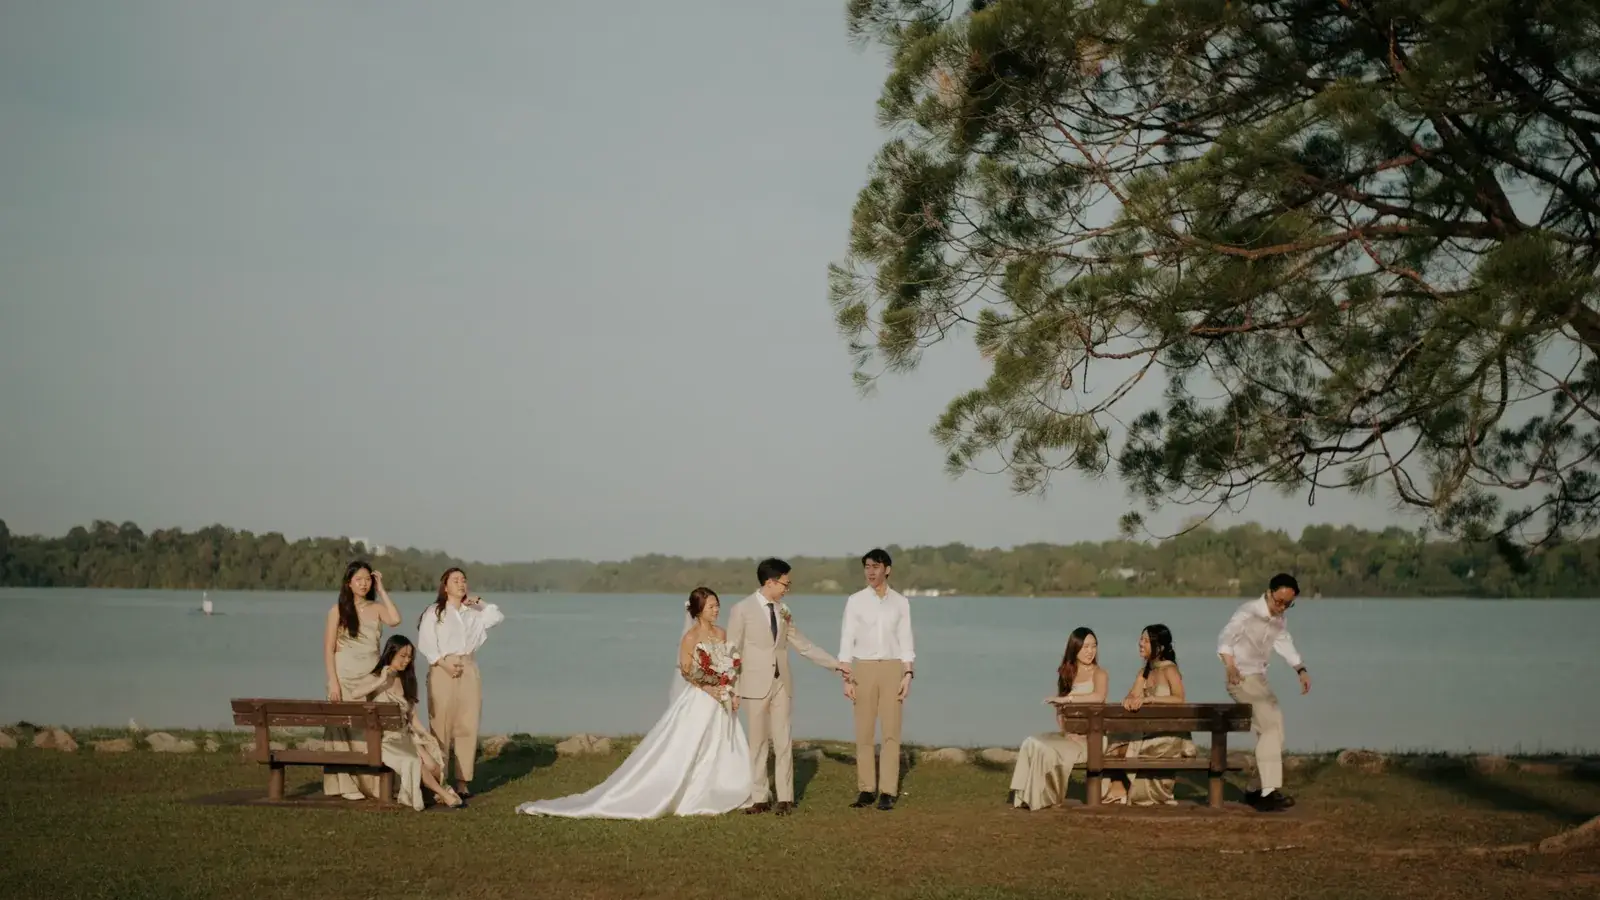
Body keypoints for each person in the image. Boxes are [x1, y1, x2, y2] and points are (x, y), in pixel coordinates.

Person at [516, 588, 752, 818]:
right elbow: (687, 670)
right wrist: (708, 686)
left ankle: (718, 788)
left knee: (722, 742)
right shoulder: (690, 637)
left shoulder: (721, 634)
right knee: (692, 744)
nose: (716, 610)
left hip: (721, 695)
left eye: (717, 605)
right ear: (699, 610)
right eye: (711, 606)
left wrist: (728, 686)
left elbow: (726, 662)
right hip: (700, 697)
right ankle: (687, 792)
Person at [727, 558, 852, 816]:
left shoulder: (784, 611)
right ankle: (759, 798)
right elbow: (732, 651)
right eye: (786, 583)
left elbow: (802, 644)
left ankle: (786, 799)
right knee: (758, 744)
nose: (787, 588)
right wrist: (733, 689)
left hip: (782, 683)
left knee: (784, 741)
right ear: (770, 582)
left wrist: (835, 664)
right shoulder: (742, 609)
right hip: (753, 685)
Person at [1218, 573, 1311, 812]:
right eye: (1278, 601)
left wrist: (1300, 669)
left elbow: (1283, 641)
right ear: (1269, 593)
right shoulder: (1248, 612)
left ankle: (1254, 788)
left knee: (1276, 731)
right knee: (1268, 728)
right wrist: (1229, 666)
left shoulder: (1279, 620)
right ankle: (1268, 793)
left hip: (1259, 679)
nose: (1281, 607)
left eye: (1288, 604)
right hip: (1240, 678)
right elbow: (1226, 637)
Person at [344, 635, 463, 810]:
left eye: (409, 657)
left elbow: (412, 715)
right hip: (383, 739)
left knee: (434, 766)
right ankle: (445, 795)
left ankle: (436, 791)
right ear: (391, 653)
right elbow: (355, 693)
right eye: (403, 656)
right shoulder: (376, 677)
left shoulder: (407, 680)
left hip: (405, 735)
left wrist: (426, 735)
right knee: (415, 762)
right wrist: (380, 681)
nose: (406, 661)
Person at [417, 566, 505, 799]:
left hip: (468, 667)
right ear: (445, 586)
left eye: (463, 580)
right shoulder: (435, 612)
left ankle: (463, 781)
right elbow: (426, 643)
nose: (461, 584)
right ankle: (439, 778)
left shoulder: (472, 613)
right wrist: (443, 663)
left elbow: (496, 616)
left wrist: (480, 602)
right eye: (455, 580)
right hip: (442, 668)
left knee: (467, 724)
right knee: (441, 725)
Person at [838, 548, 916, 810]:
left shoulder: (901, 602)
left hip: (893, 668)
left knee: (891, 731)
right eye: (867, 566)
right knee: (864, 732)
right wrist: (846, 676)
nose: (870, 571)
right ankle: (866, 789)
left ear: (887, 569)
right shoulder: (855, 601)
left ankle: (887, 791)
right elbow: (847, 639)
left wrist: (908, 673)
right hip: (864, 668)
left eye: (876, 566)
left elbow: (906, 640)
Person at [321, 560, 401, 800]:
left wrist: (383, 589)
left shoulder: (376, 608)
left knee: (370, 731)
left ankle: (374, 784)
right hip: (344, 677)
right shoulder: (337, 610)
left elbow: (395, 620)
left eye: (368, 579)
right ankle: (346, 786)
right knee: (343, 731)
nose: (364, 583)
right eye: (359, 579)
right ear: (349, 583)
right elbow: (328, 649)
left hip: (371, 677)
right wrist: (333, 681)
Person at [1008, 626, 1107, 810]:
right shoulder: (1066, 673)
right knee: (1032, 742)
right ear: (1074, 647)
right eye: (1085, 647)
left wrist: (1067, 699)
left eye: (1093, 646)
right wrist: (1066, 731)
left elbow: (1098, 697)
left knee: (1045, 749)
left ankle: (1046, 798)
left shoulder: (1100, 673)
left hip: (1092, 738)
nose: (1090, 651)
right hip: (1071, 735)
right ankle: (1024, 796)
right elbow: (1060, 712)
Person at [1101, 624, 1196, 805]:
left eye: (1145, 640)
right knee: (1113, 744)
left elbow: (1179, 699)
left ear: (1159, 647)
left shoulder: (1170, 670)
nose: (1140, 643)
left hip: (1168, 736)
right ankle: (1119, 788)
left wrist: (1150, 699)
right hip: (1149, 733)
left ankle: (1121, 789)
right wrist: (1130, 699)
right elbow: (1133, 694)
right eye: (1141, 639)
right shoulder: (1144, 672)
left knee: (1121, 748)